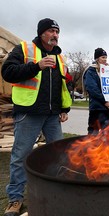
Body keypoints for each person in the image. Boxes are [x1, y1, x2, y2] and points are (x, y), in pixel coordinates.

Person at [1, 18, 72, 216]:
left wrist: (64, 108)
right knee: (20, 156)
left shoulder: (60, 57)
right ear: (41, 33)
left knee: (60, 155)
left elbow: (64, 85)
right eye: (51, 31)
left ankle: (60, 191)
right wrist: (37, 66)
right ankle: (15, 199)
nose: (55, 35)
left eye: (57, 32)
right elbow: (7, 72)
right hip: (28, 113)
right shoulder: (24, 50)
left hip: (52, 116)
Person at [83, 48, 109, 135]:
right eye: (103, 57)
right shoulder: (90, 71)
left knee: (106, 133)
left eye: (106, 57)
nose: (105, 60)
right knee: (93, 134)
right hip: (96, 108)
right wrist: (105, 101)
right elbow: (92, 89)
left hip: (107, 109)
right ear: (97, 59)